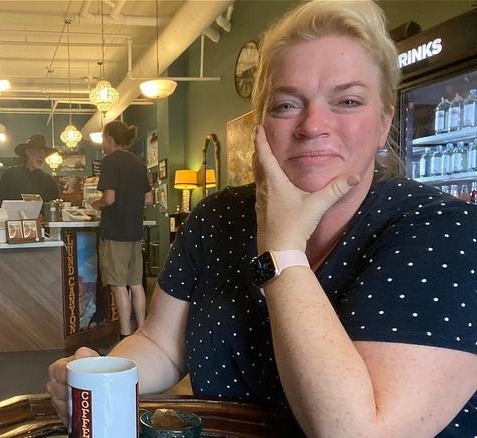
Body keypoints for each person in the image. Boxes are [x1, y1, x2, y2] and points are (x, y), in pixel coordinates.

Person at [47, 2, 477, 436]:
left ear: (384, 122)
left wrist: (282, 251)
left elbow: (359, 431)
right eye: (286, 105)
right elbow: (161, 344)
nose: (313, 125)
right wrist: (101, 375)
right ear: (261, 124)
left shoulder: (445, 231)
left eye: (347, 101)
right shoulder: (218, 215)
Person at [90, 120, 153, 339]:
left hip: (115, 233)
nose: (102, 143)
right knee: (136, 284)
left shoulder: (109, 161)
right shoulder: (138, 163)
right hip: (135, 232)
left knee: (119, 287)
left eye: (102, 138)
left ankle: (125, 337)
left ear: (109, 137)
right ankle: (143, 334)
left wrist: (94, 204)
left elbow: (109, 198)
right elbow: (149, 198)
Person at [0, 134, 60, 208]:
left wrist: (42, 216)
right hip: (11, 219)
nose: (42, 156)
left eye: (44, 153)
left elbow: (54, 207)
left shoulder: (50, 181)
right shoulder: (10, 174)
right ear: (27, 152)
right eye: (39, 151)